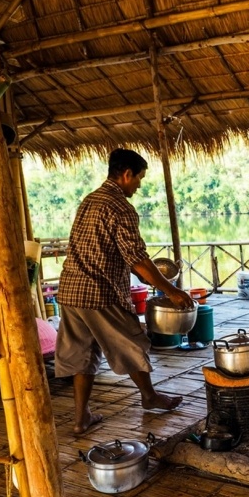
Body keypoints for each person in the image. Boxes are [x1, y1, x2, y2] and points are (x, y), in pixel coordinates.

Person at [55, 148, 194, 435]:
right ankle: (149, 396)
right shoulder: (120, 207)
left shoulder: (90, 200)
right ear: (127, 174)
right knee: (133, 344)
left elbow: (111, 253)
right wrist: (171, 291)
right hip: (99, 293)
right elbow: (138, 260)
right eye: (139, 179)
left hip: (70, 291)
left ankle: (81, 419)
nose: (139, 186)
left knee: (82, 354)